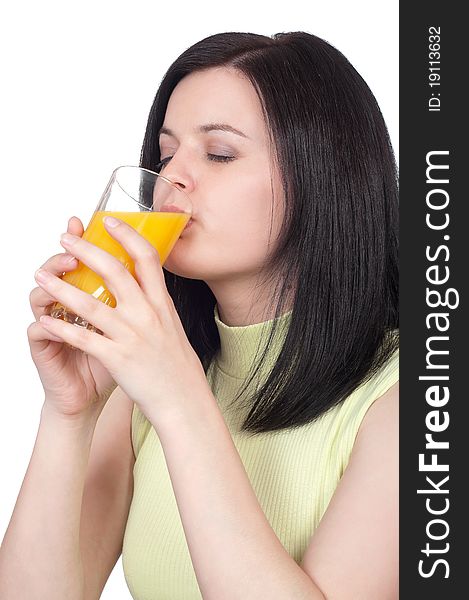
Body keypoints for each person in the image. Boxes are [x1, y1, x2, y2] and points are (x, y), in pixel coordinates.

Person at [0, 31, 399, 599]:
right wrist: (71, 414)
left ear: (324, 177)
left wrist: (180, 399)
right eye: (166, 154)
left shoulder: (412, 399)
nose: (171, 180)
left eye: (219, 154)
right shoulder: (144, 380)